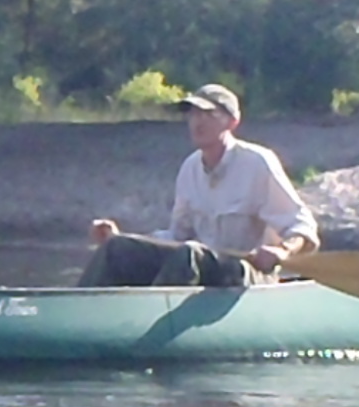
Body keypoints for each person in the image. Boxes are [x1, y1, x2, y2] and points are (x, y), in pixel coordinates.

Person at [78, 82, 318, 289]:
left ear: (232, 122)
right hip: (199, 268)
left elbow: (302, 225)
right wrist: (126, 238)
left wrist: (283, 251)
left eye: (207, 114)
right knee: (118, 248)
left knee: (189, 254)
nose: (197, 122)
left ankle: (151, 323)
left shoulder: (257, 162)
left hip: (247, 274)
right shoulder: (190, 168)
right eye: (192, 114)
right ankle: (79, 311)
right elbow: (177, 235)